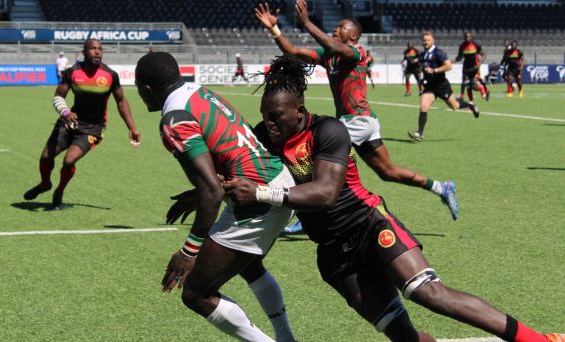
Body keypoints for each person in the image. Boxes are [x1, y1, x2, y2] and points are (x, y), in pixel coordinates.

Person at [223, 53, 565, 342]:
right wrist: (209, 192)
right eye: (265, 116)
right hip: (333, 253)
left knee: (428, 293)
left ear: (299, 110)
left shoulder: (328, 130)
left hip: (369, 224)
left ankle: (538, 340)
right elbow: (241, 168)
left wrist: (260, 192)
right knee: (403, 336)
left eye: (276, 117)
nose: (268, 124)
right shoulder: (265, 137)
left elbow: (326, 194)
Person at [135, 51, 297, 342]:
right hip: (277, 182)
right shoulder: (198, 92)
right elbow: (220, 166)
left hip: (255, 200)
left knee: (196, 294)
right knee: (249, 266)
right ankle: (286, 338)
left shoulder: (173, 118)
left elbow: (211, 190)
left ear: (147, 89)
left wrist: (189, 251)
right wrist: (198, 193)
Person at [255, 0, 460, 222]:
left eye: (341, 27)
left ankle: (311, 212)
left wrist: (306, 22)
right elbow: (292, 51)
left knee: (315, 157)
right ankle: (442, 187)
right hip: (360, 121)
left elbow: (335, 47)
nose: (336, 29)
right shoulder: (329, 55)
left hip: (356, 121)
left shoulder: (356, 52)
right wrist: (274, 29)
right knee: (387, 172)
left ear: (353, 36)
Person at [23, 39, 141, 210]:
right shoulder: (72, 72)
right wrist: (65, 112)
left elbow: (121, 101)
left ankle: (59, 192)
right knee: (46, 157)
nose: (97, 52)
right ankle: (45, 184)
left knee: (69, 160)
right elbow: (58, 96)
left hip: (93, 128)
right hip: (69, 121)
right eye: (93, 49)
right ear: (84, 51)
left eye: (100, 49)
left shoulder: (109, 75)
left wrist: (132, 128)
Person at [407, 31, 480, 142]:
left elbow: (449, 66)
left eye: (428, 40)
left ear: (433, 41)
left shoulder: (438, 52)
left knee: (454, 106)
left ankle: (471, 106)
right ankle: (419, 133)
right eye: (424, 40)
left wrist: (434, 70)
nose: (426, 42)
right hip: (429, 86)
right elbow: (422, 68)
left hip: (441, 84)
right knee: (423, 107)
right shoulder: (422, 55)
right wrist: (421, 76)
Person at [455, 32, 489, 102]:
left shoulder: (475, 45)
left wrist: (479, 64)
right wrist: (452, 61)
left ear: (471, 37)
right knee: (467, 84)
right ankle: (470, 101)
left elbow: (484, 54)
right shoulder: (462, 46)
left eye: (468, 37)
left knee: (474, 84)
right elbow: (459, 57)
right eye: (465, 37)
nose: (467, 38)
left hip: (474, 68)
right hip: (466, 68)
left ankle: (483, 89)